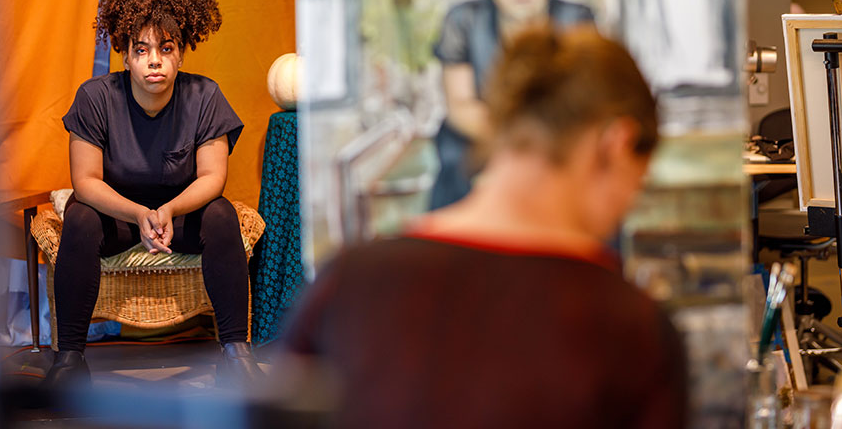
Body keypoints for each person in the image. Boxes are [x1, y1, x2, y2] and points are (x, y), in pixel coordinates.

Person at [282, 29, 687, 428]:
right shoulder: (629, 328)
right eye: (640, 180)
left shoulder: (349, 282)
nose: (628, 204)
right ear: (616, 143)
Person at [44, 0, 261, 388]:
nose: (155, 60)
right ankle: (69, 359)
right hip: (116, 215)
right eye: (141, 50)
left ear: (181, 52)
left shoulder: (205, 96)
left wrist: (168, 209)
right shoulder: (95, 97)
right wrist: (139, 212)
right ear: (125, 54)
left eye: (166, 47)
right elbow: (85, 180)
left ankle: (236, 351)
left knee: (221, 215)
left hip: (179, 213)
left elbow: (213, 177)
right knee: (80, 216)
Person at [430, 0, 596, 209]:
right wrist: (515, 146)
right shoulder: (463, 19)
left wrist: (546, 145)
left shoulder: (576, 17)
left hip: (556, 138)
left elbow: (585, 99)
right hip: (479, 140)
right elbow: (461, 106)